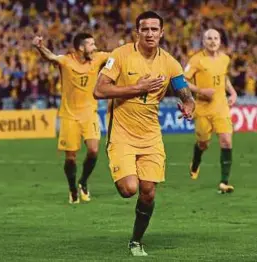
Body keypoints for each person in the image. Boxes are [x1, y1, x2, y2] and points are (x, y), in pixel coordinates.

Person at [94, 11, 195, 256]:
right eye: (144, 29)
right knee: (129, 189)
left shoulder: (169, 62)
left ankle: (136, 241)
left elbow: (183, 90)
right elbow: (99, 90)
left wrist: (189, 104)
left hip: (151, 135)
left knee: (148, 192)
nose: (149, 34)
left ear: (161, 32)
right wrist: (136, 87)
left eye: (154, 29)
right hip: (122, 134)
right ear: (136, 32)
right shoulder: (120, 56)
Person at [33, 33, 109, 204]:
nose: (95, 47)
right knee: (70, 158)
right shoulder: (66, 61)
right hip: (69, 115)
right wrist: (39, 47)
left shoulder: (98, 58)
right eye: (91, 44)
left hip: (90, 113)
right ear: (81, 47)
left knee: (93, 150)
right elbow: (50, 56)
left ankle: (83, 181)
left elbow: (118, 55)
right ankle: (72, 187)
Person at [184, 29, 237, 193]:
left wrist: (233, 92)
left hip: (221, 107)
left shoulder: (225, 59)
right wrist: (200, 91)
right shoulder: (196, 60)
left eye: (216, 38)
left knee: (226, 141)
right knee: (203, 143)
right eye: (209, 38)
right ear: (203, 41)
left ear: (220, 41)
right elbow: (182, 80)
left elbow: (224, 78)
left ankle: (224, 182)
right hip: (202, 108)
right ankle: (195, 161)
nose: (213, 41)